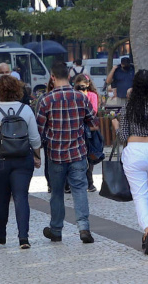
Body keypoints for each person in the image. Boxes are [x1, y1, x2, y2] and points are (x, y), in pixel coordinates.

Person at [0, 75, 42, 249]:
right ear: (17, 89)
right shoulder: (26, 110)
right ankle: (23, 238)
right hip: (23, 159)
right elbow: (35, 139)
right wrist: (37, 156)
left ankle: (1, 233)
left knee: (1, 198)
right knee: (21, 197)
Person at [111, 70, 148, 255]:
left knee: (140, 195)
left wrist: (115, 124)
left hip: (135, 151)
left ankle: (147, 229)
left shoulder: (129, 108)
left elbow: (122, 136)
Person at [36, 61, 97, 244]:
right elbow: (93, 124)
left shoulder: (46, 100)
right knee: (79, 190)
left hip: (55, 154)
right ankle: (84, 228)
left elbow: (38, 130)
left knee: (57, 192)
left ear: (52, 78)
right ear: (69, 77)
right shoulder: (81, 97)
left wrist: (37, 153)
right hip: (78, 153)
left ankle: (56, 229)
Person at [73, 74, 100, 192]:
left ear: (88, 84)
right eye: (79, 86)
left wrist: (84, 98)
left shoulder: (92, 95)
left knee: (91, 154)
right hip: (77, 128)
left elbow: (93, 111)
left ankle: (90, 181)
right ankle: (81, 181)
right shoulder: (73, 95)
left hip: (90, 129)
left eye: (83, 86)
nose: (81, 89)